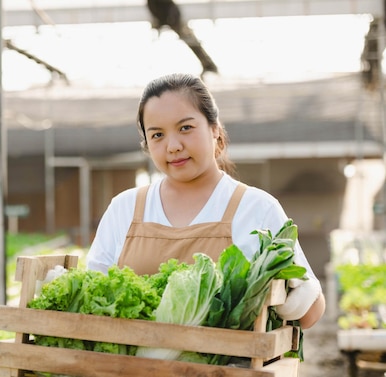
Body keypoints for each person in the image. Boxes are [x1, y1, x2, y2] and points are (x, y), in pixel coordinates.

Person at [86, 72, 325, 329]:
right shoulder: (124, 209)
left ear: (215, 129)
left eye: (185, 128)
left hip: (230, 368)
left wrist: (302, 294)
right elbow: (94, 299)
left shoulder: (257, 209)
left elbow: (309, 316)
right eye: (157, 135)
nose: (173, 145)